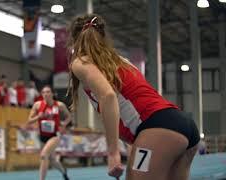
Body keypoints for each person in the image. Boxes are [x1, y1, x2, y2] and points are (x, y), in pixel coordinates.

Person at [66, 14, 200, 180]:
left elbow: (108, 96)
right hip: (183, 126)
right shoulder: (121, 61)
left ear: (74, 40)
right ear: (103, 37)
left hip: (158, 128)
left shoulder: (80, 62)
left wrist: (113, 152)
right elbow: (133, 106)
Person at [22, 85, 72, 180]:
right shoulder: (37, 105)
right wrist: (38, 117)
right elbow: (29, 120)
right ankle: (64, 172)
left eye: (48, 92)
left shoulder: (59, 105)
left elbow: (69, 117)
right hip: (42, 136)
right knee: (52, 160)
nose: (46, 94)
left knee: (44, 155)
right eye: (43, 92)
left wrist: (63, 124)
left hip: (54, 135)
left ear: (52, 94)